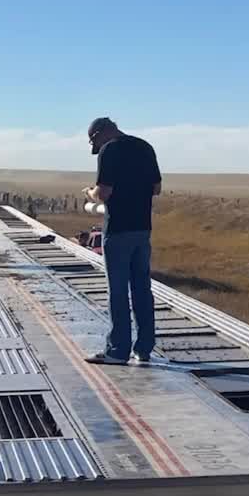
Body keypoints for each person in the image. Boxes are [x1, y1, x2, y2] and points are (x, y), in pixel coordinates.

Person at [82, 117, 161, 365]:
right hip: (142, 229)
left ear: (99, 134)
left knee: (117, 292)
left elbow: (104, 192)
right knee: (142, 289)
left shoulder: (109, 150)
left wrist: (90, 193)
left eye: (95, 142)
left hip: (117, 230)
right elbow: (156, 188)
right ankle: (144, 348)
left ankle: (117, 351)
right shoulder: (144, 147)